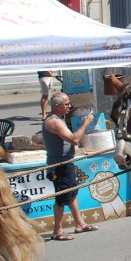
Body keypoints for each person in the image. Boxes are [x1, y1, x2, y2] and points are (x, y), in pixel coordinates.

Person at [43, 92, 98, 241]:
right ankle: (57, 230)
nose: (69, 107)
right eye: (66, 104)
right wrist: (86, 123)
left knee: (72, 193)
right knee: (62, 197)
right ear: (57, 106)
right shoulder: (54, 122)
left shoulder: (58, 119)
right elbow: (74, 139)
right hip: (59, 165)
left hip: (67, 162)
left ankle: (80, 223)